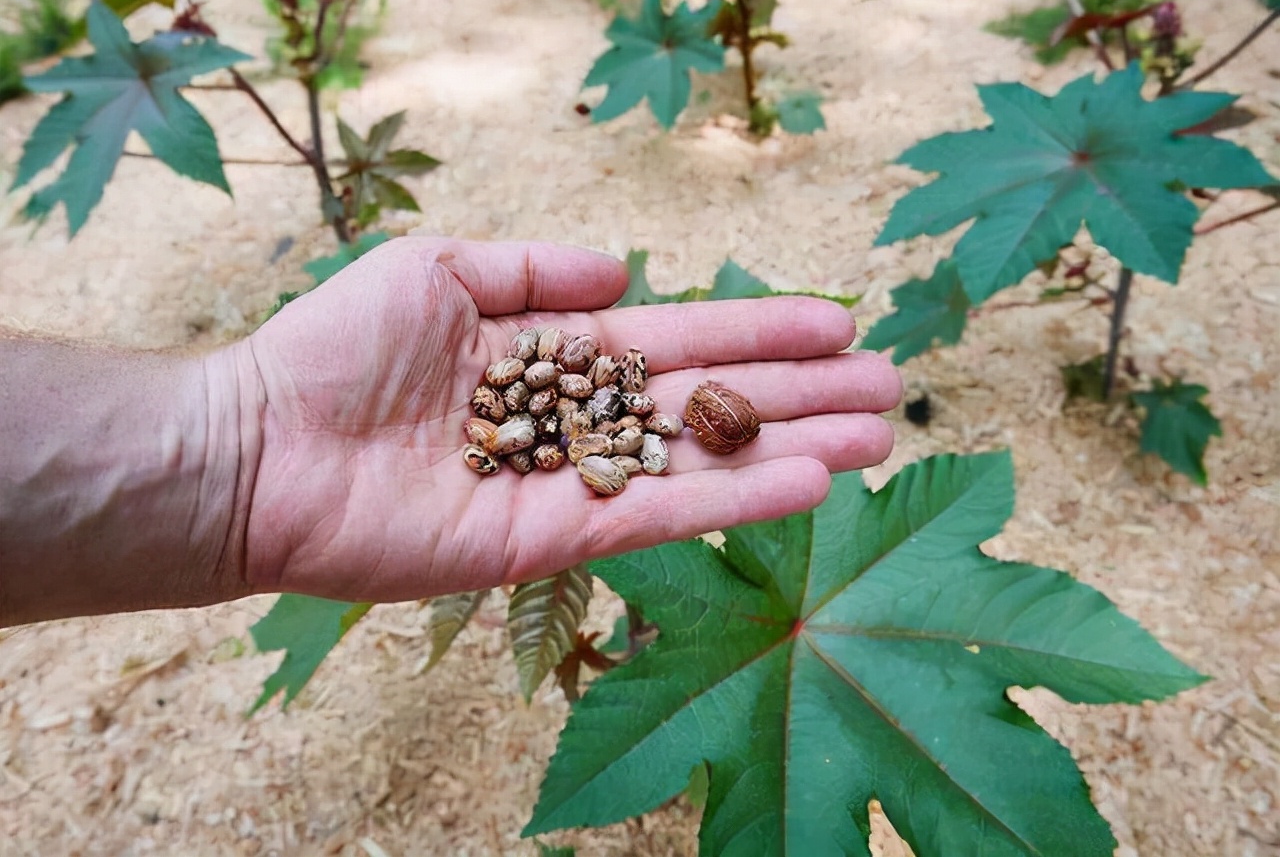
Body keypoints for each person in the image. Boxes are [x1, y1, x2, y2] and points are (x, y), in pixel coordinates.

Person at [0, 237, 901, 628]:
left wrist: (238, 440)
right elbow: (566, 421)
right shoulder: (559, 410)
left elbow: (593, 425)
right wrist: (245, 431)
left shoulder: (596, 414)